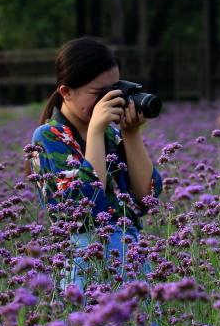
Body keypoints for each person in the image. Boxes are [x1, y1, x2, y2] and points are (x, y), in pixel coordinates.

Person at [28, 38, 162, 292]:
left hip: (131, 258)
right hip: (86, 262)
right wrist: (97, 130)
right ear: (66, 92)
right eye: (99, 93)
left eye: (114, 90)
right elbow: (81, 204)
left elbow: (148, 197)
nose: (109, 100)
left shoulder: (112, 135)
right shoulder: (48, 136)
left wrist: (131, 133)